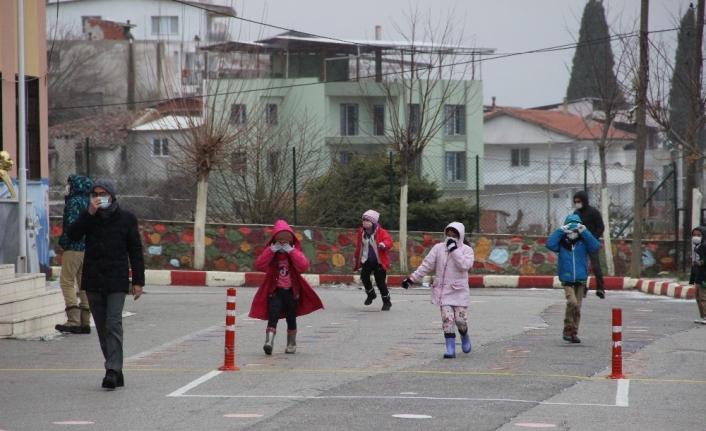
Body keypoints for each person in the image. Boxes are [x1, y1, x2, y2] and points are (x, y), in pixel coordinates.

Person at [67, 178, 144, 390]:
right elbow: (72, 235)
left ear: (112, 195)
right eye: (96, 194)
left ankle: (111, 369)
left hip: (116, 280)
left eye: (103, 193)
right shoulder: (89, 217)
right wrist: (88, 214)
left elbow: (135, 251)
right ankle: (115, 370)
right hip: (93, 280)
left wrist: (138, 281)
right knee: (102, 328)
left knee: (113, 324)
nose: (99, 197)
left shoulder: (126, 219)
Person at [249, 220, 324, 355]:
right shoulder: (273, 256)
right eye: (280, 242)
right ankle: (269, 342)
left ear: (291, 242)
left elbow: (303, 266)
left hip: (291, 292)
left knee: (291, 317)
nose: (283, 246)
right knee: (273, 316)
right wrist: (272, 250)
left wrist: (292, 251)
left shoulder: (293, 255)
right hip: (275, 292)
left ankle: (291, 343)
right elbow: (259, 265)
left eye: (286, 243)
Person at [401, 222, 475, 359]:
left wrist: (454, 251)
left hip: (459, 292)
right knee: (447, 319)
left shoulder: (466, 250)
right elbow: (426, 265)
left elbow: (465, 266)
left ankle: (464, 335)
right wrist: (411, 279)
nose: (450, 238)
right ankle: (450, 348)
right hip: (443, 291)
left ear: (460, 237)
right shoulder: (438, 248)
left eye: (454, 236)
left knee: (460, 320)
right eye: (448, 235)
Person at [546, 214, 600, 344]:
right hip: (567, 277)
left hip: (581, 278)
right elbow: (550, 245)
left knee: (578, 307)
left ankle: (574, 331)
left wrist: (584, 231)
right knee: (572, 302)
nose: (573, 232)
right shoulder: (562, 243)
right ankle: (567, 327)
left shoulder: (584, 241)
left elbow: (595, 246)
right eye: (571, 229)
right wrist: (561, 230)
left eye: (576, 229)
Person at [55, 175, 93, 334]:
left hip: (74, 247)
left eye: (69, 185)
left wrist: (64, 241)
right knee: (83, 282)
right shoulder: (90, 203)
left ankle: (73, 320)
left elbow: (71, 227)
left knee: (66, 281)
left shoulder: (73, 202)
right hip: (88, 248)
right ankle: (85, 321)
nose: (67, 188)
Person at [353, 210, 394, 311]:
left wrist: (384, 244)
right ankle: (370, 293)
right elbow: (360, 245)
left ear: (373, 221)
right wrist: (356, 256)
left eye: (367, 220)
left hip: (379, 261)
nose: (365, 222)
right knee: (364, 277)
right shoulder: (361, 232)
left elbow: (389, 241)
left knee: (380, 282)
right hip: (367, 259)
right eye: (364, 220)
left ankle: (386, 301)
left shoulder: (381, 232)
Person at [572, 191, 606, 299]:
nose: (577, 203)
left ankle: (600, 288)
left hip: (592, 242)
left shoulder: (593, 212)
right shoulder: (576, 213)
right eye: (575, 201)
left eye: (579, 201)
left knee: (595, 266)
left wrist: (593, 238)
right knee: (582, 267)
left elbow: (600, 227)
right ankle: (583, 288)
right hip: (581, 243)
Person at [688, 226, 706, 324]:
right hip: (698, 277)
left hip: (703, 277)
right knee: (698, 297)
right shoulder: (697, 247)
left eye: (698, 235)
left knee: (703, 297)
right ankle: (703, 316)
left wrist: (702, 262)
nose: (696, 237)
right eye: (694, 235)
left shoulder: (704, 246)